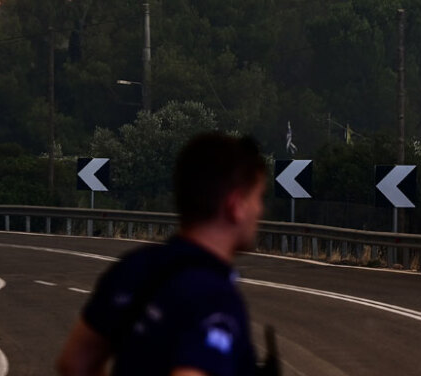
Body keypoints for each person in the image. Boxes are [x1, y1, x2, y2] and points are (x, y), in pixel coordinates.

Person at [57, 133, 269, 376]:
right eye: (257, 198)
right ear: (235, 206)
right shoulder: (215, 297)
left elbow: (75, 363)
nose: (260, 210)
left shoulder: (134, 267)